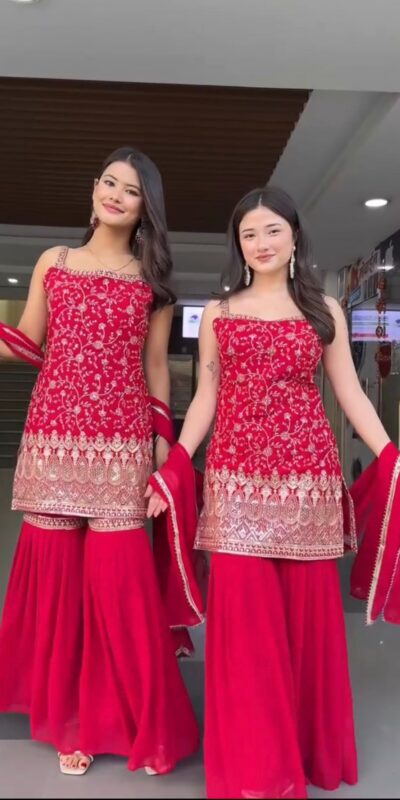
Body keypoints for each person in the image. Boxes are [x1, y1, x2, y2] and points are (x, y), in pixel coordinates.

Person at [146, 185, 393, 798]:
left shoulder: (323, 309)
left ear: (294, 236)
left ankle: (300, 756)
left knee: (306, 629)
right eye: (249, 233)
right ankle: (256, 767)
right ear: (239, 243)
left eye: (272, 230)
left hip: (307, 483)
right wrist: (176, 464)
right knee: (245, 631)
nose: (261, 243)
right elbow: (206, 397)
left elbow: (349, 391)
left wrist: (391, 453)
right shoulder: (220, 312)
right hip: (234, 484)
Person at [0, 146, 202, 776]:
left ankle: (134, 718)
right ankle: (70, 722)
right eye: (109, 183)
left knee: (119, 589)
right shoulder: (54, 261)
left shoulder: (152, 283)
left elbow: (155, 368)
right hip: (54, 441)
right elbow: (29, 343)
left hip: (121, 447)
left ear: (145, 208)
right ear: (93, 189)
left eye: (131, 190)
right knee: (58, 591)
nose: (115, 195)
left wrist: (162, 442)